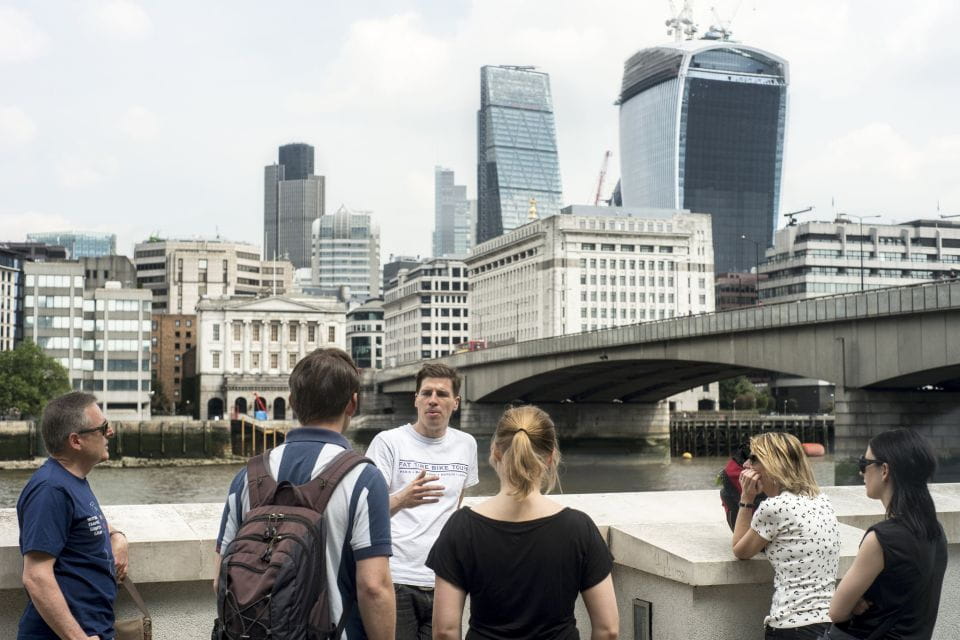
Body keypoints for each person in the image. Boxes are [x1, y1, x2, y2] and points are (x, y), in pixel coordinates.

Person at [215, 348, 395, 640]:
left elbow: (220, 580)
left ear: (292, 402)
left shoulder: (246, 477)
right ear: (352, 403)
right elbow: (374, 587)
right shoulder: (364, 479)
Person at [427, 405, 619, 640]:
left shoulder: (462, 527)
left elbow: (445, 631)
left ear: (496, 451)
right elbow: (608, 629)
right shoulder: (578, 528)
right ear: (550, 458)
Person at [364, 363, 479, 640]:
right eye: (426, 393)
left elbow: (456, 506)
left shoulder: (467, 444)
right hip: (396, 578)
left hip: (445, 580)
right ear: (415, 399)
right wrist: (402, 499)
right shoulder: (388, 442)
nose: (433, 400)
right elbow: (364, 514)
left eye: (442, 394)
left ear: (456, 402)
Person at [17, 392, 129, 640]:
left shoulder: (70, 481)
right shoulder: (50, 490)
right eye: (103, 428)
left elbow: (83, 523)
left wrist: (117, 536)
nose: (110, 433)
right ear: (76, 441)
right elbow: (36, 576)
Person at [827, 429, 947, 639]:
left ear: (884, 470)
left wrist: (856, 601)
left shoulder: (881, 539)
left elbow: (836, 611)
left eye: (864, 464)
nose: (861, 472)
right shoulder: (936, 531)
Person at [732, 432, 840, 639]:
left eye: (753, 459)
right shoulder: (822, 501)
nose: (746, 464)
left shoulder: (775, 507)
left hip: (792, 624)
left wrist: (746, 498)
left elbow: (740, 550)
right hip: (828, 622)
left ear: (772, 464)